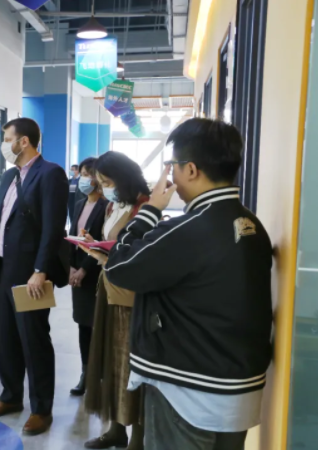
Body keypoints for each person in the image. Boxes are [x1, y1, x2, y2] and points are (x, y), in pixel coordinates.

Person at [103, 119, 272, 450]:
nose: (172, 177)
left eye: (173, 166)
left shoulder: (190, 229)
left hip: (189, 393)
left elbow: (119, 267)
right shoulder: (251, 224)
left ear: (191, 169)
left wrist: (150, 210)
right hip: (239, 390)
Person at [0, 117, 69, 436]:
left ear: (24, 142)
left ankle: (41, 409)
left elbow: (53, 227)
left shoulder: (51, 173)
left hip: (30, 275)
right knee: (6, 337)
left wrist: (40, 270)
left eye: (7, 139)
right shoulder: (9, 176)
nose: (5, 145)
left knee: (34, 340)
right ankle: (11, 396)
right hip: (3, 271)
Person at [82, 151, 150, 450]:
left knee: (130, 365)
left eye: (108, 182)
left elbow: (140, 256)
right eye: (101, 182)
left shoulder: (145, 207)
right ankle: (116, 428)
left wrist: (106, 256)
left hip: (130, 298)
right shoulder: (114, 205)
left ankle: (138, 436)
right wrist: (94, 247)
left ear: (123, 178)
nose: (104, 188)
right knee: (112, 362)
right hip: (109, 289)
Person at [68, 157, 109, 397]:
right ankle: (86, 373)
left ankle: (100, 375)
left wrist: (84, 269)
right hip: (77, 276)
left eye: (88, 174)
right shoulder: (79, 203)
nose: (84, 178)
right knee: (83, 325)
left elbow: (102, 243)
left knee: (98, 325)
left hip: (95, 273)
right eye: (82, 173)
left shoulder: (107, 206)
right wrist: (71, 267)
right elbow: (73, 237)